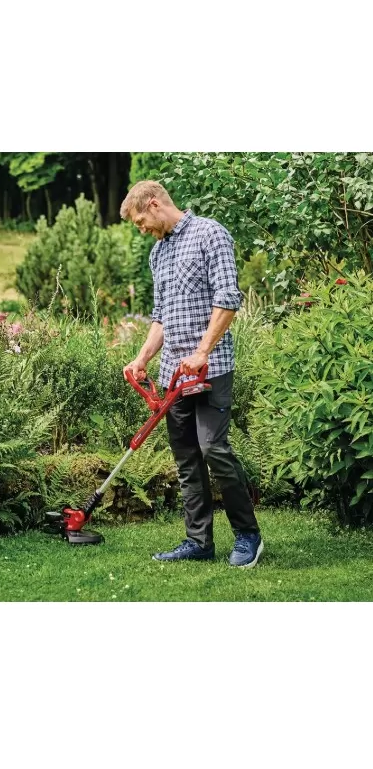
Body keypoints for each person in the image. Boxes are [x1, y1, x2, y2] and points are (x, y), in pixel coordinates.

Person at [120, 180, 263, 568]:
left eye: (140, 222)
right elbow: (161, 316)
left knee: (213, 448)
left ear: (153, 205)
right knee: (186, 457)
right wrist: (142, 357)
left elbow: (228, 299)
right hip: (174, 374)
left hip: (211, 367)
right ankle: (199, 540)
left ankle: (248, 535)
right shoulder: (158, 253)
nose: (141, 230)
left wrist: (202, 351)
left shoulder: (210, 233)